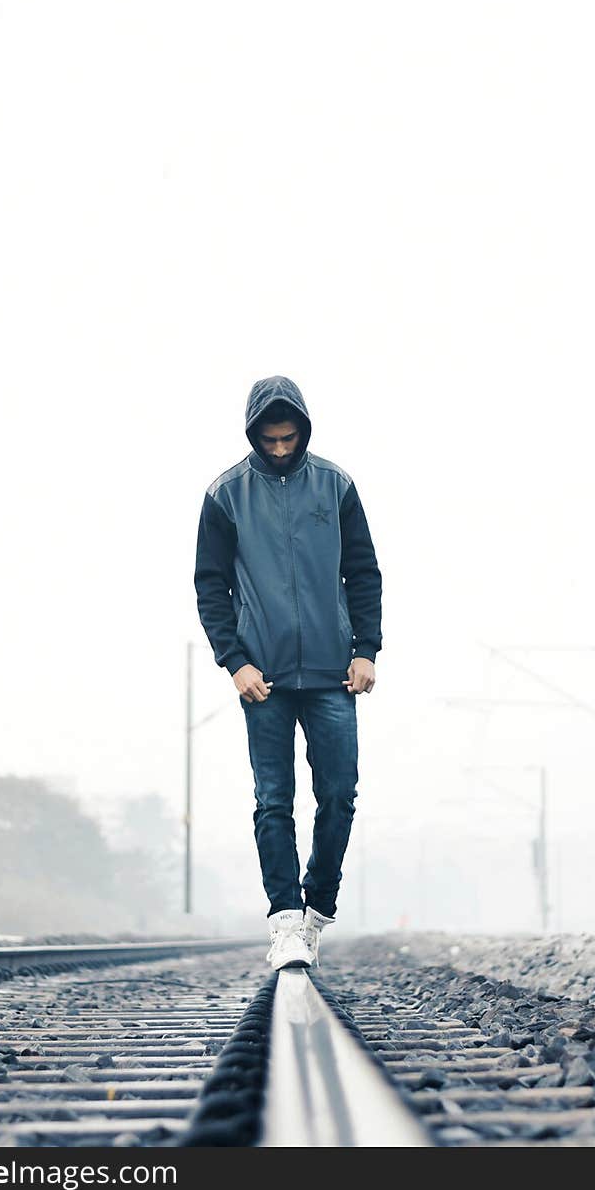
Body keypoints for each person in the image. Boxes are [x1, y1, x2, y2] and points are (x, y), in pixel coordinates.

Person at [193, 375, 382, 970]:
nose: (279, 448)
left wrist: (366, 648)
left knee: (339, 796)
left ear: (303, 429)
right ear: (253, 434)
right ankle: (284, 924)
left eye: (288, 437)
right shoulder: (225, 496)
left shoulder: (336, 485)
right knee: (273, 800)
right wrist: (236, 661)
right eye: (269, 440)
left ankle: (315, 909)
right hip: (263, 677)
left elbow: (364, 571)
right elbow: (210, 587)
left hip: (332, 672)